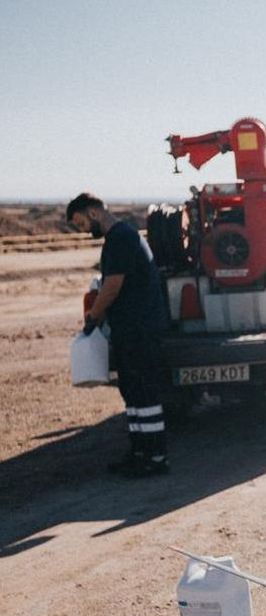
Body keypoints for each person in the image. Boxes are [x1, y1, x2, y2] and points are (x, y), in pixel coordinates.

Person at [67, 193, 170, 477]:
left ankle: (155, 458)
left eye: (81, 222)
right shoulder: (122, 237)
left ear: (94, 212)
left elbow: (111, 286)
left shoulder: (121, 239)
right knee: (133, 392)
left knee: (144, 393)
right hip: (131, 329)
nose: (83, 229)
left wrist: (93, 317)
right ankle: (140, 453)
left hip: (139, 330)